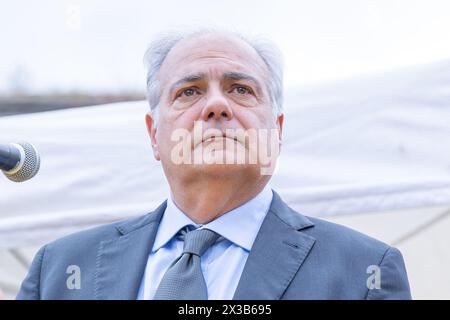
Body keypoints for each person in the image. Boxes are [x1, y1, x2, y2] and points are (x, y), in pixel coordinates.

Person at [17, 28, 411, 300]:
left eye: (241, 89)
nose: (217, 106)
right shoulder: (61, 268)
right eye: (189, 91)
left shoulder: (363, 270)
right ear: (154, 135)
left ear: (276, 130)